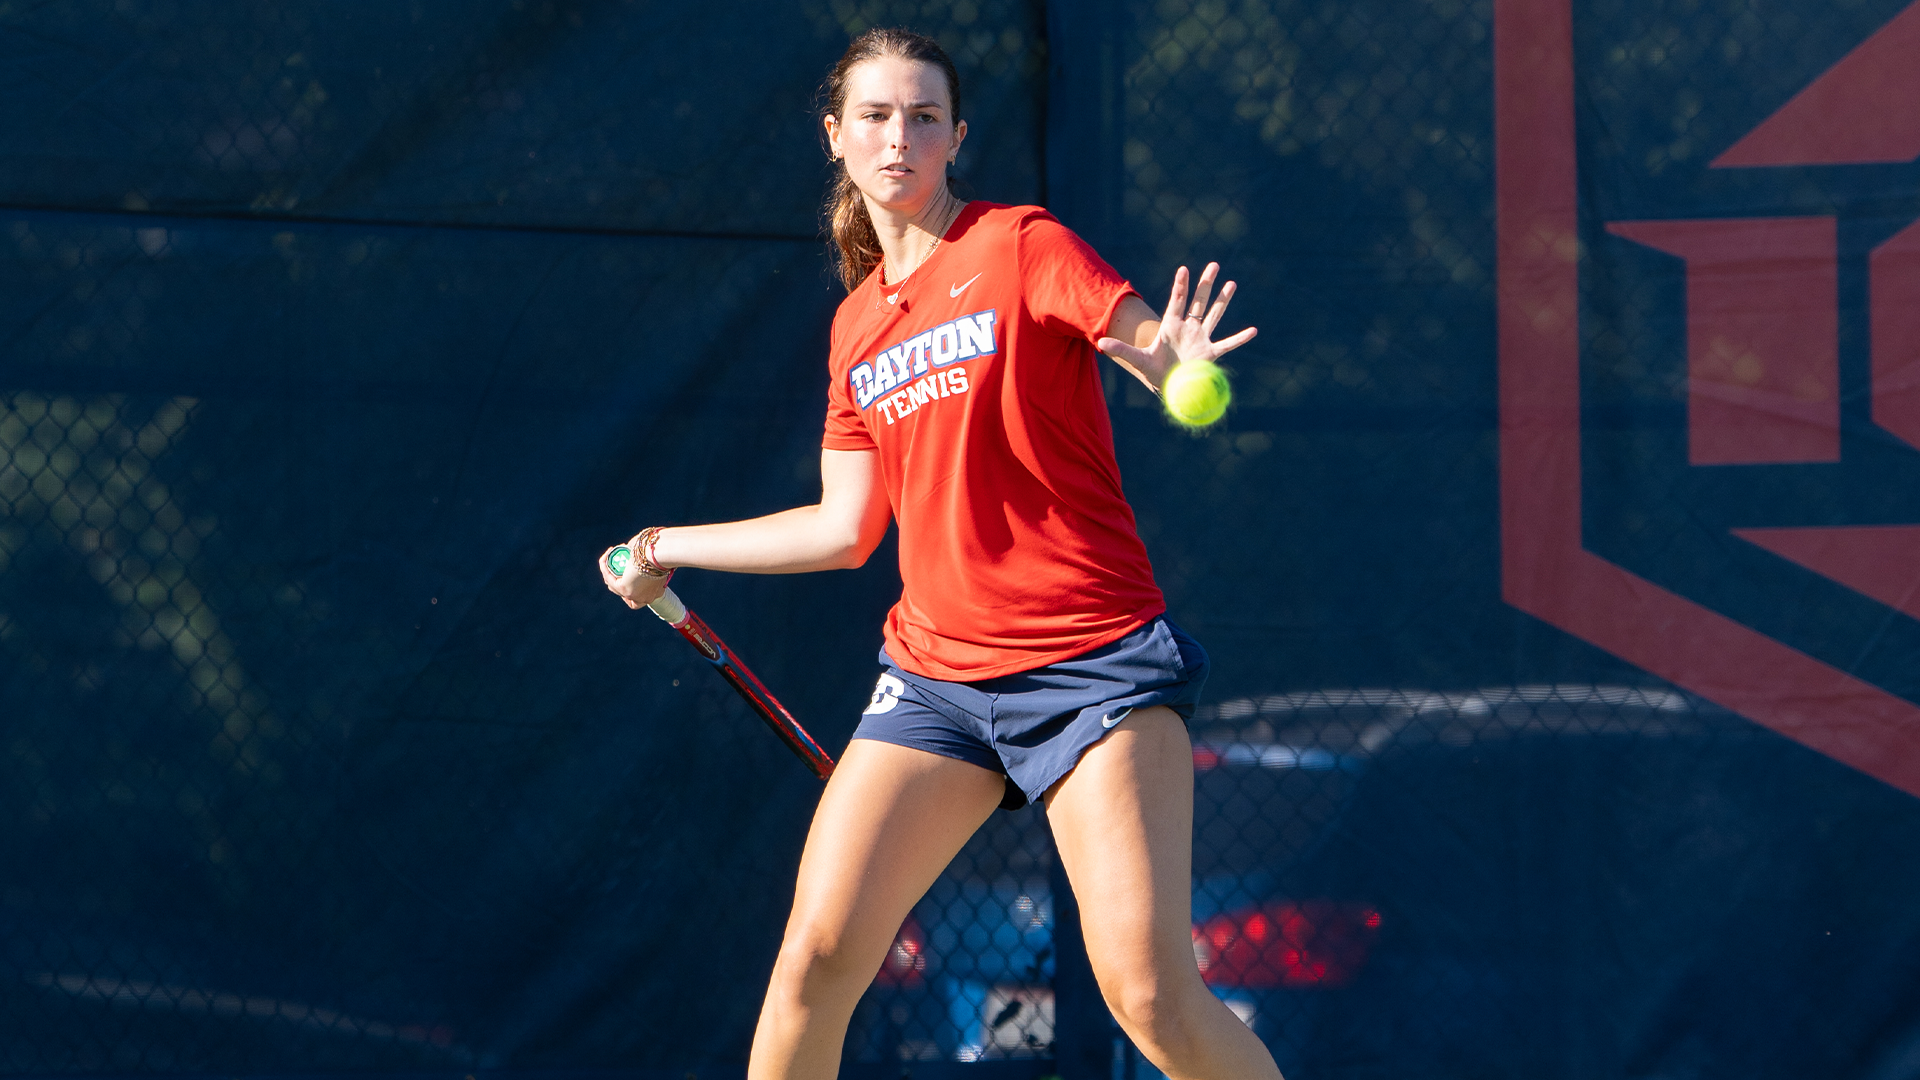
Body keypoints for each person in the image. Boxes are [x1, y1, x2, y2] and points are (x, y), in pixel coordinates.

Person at [600, 27, 1278, 1080]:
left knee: (1149, 992)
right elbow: (844, 527)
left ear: (957, 135)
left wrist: (1169, 360)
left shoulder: (1021, 245)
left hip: (1092, 664)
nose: (899, 137)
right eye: (874, 115)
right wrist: (663, 545)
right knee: (815, 960)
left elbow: (1143, 346)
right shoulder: (857, 329)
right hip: (935, 681)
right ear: (836, 137)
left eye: (923, 116)